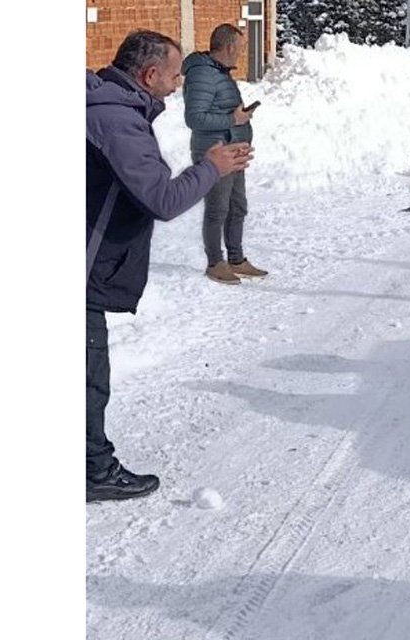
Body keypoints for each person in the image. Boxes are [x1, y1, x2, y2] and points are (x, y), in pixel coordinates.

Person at [88, 30, 253, 502]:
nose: (178, 82)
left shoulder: (111, 108)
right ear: (149, 74)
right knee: (88, 378)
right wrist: (212, 166)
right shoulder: (118, 121)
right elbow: (161, 198)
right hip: (83, 268)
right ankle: (93, 469)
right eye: (173, 73)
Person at [183, 24, 267, 284]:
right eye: (240, 48)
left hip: (234, 150)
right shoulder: (202, 74)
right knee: (217, 210)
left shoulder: (219, 73)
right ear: (229, 46)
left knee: (237, 207)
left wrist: (240, 119)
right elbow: (194, 118)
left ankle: (236, 258)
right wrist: (234, 118)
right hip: (215, 153)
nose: (241, 53)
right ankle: (215, 263)